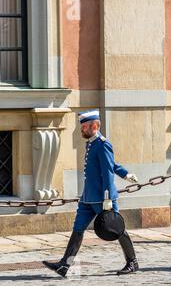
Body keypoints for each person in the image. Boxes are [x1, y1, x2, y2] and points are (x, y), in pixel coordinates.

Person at [42, 110, 140, 277]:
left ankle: (132, 262)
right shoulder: (92, 143)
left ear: (94, 126)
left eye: (85, 127)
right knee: (78, 228)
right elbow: (112, 164)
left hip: (102, 198)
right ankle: (64, 265)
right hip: (88, 197)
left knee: (116, 228)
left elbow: (108, 171)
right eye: (82, 126)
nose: (82, 130)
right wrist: (125, 173)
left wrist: (108, 198)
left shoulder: (102, 144)